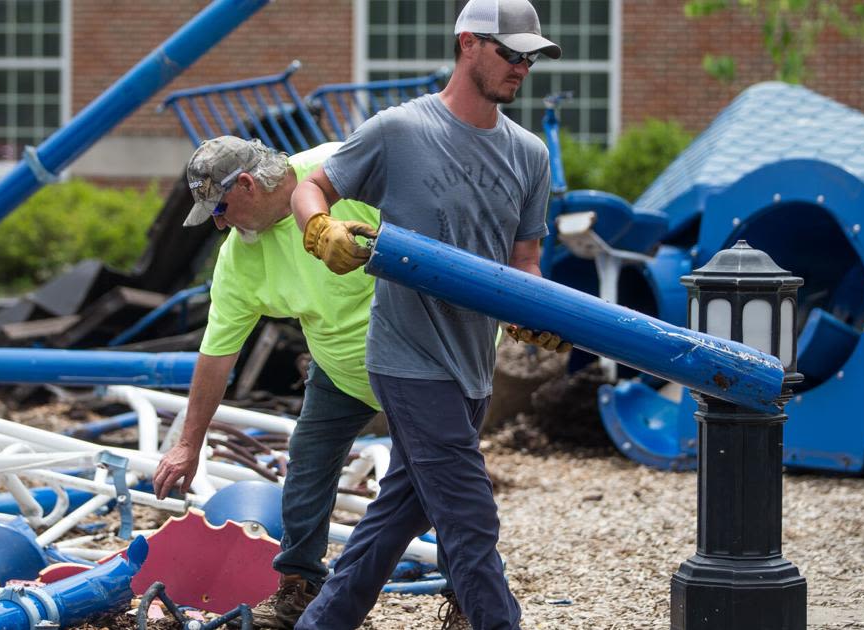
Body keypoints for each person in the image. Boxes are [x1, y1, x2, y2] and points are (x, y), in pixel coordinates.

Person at [289, 1, 566, 628]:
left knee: (397, 517)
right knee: (470, 518)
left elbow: (525, 260)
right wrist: (320, 231)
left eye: (531, 57)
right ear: (468, 43)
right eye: (511, 53)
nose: (523, 67)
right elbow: (313, 189)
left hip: (474, 364)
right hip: (407, 356)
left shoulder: (529, 155)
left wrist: (535, 310)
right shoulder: (400, 130)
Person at [150, 136, 403, 630]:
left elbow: (440, 212)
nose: (219, 223)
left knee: (434, 478)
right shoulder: (239, 260)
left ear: (247, 184)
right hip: (342, 368)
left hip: (419, 355)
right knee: (307, 463)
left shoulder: (337, 169)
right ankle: (299, 587)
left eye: (220, 208)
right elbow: (217, 355)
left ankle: (470, 595)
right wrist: (188, 444)